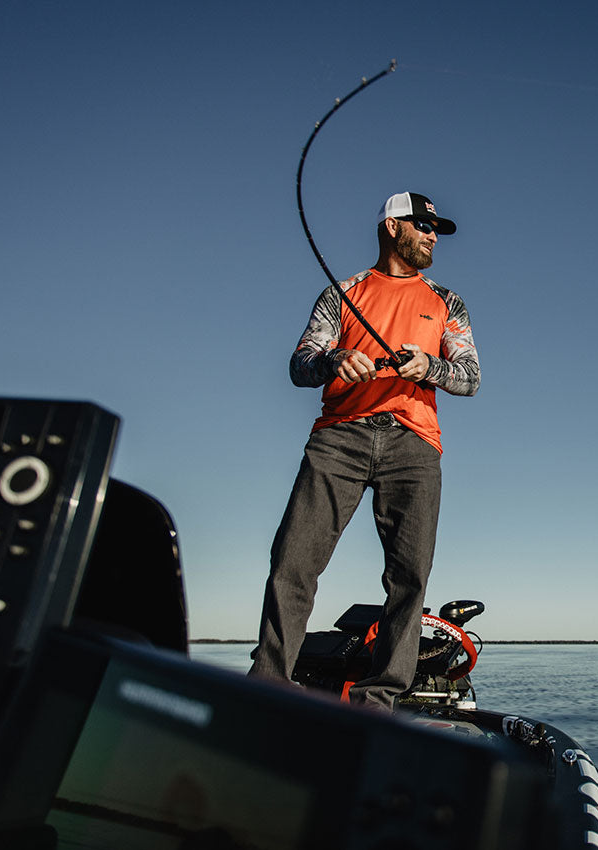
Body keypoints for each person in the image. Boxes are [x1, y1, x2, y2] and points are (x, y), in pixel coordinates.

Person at [249, 191, 480, 710]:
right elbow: (299, 364)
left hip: (415, 445)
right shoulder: (342, 293)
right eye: (423, 226)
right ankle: (267, 683)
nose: (432, 235)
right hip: (339, 439)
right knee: (293, 561)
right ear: (392, 227)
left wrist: (429, 367)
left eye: (436, 228)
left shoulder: (448, 302)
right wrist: (334, 360)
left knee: (409, 576)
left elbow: (470, 377)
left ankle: (380, 700)